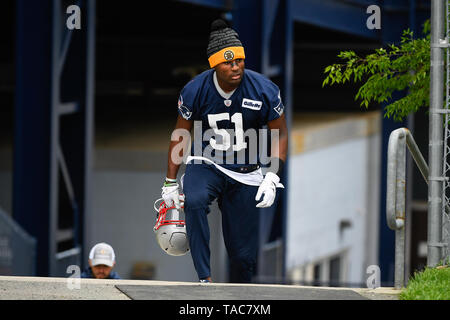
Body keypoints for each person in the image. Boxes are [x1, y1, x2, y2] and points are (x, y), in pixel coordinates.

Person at [162, 19, 288, 283]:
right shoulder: (195, 90)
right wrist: (170, 181)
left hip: (246, 170)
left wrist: (273, 175)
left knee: (243, 257)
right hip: (206, 163)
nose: (235, 67)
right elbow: (181, 134)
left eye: (239, 60)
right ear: (214, 65)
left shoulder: (264, 90)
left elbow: (281, 134)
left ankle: (241, 294)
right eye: (228, 62)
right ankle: (204, 279)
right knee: (194, 200)